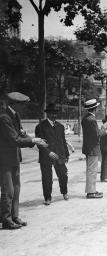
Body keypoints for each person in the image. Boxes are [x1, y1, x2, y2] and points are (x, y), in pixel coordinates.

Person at [0, 92, 48, 229]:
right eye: (23, 104)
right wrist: (33, 140)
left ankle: (14, 216)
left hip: (14, 158)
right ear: (14, 104)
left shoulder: (15, 115)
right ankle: (6, 219)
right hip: (4, 159)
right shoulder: (4, 117)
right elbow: (14, 139)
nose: (25, 107)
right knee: (8, 190)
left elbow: (21, 133)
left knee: (16, 189)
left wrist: (35, 140)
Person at [35, 103, 70, 205]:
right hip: (46, 157)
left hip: (60, 156)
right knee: (47, 178)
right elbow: (39, 143)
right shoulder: (40, 127)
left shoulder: (60, 126)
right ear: (47, 114)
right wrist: (49, 152)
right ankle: (47, 198)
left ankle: (64, 192)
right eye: (52, 113)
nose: (54, 115)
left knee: (63, 175)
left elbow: (63, 141)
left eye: (55, 113)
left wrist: (66, 154)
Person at [81, 99, 103, 199]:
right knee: (92, 171)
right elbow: (96, 135)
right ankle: (91, 192)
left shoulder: (85, 118)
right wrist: (104, 130)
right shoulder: (92, 120)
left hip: (88, 147)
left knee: (90, 170)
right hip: (93, 148)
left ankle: (92, 190)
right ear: (95, 108)